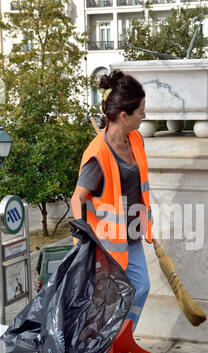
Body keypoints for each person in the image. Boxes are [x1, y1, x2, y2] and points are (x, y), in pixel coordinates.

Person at [71, 69, 152, 331]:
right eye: (141, 111)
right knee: (107, 305)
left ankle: (123, 341)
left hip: (132, 234)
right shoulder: (98, 152)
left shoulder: (135, 139)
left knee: (141, 287)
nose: (145, 116)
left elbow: (138, 186)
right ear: (124, 115)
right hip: (106, 243)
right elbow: (78, 199)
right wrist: (82, 244)